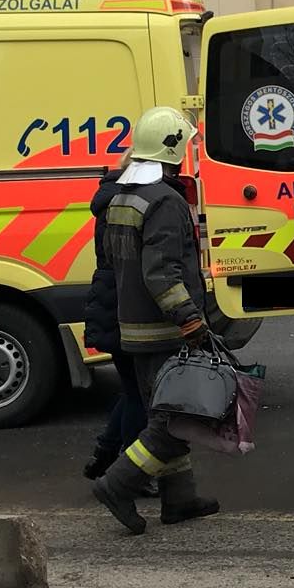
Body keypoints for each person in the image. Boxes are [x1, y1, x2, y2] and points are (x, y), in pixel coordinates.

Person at [91, 107, 223, 534]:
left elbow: (118, 263)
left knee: (166, 413)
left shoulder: (124, 195)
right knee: (172, 423)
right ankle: (118, 483)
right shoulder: (164, 200)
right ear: (174, 149)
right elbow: (162, 272)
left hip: (133, 327)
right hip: (164, 331)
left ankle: (179, 498)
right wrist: (190, 319)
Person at [80, 164, 151, 493]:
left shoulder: (110, 199)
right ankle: (130, 473)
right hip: (125, 304)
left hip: (111, 302)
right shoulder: (127, 204)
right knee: (140, 395)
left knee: (131, 388)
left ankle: (106, 454)